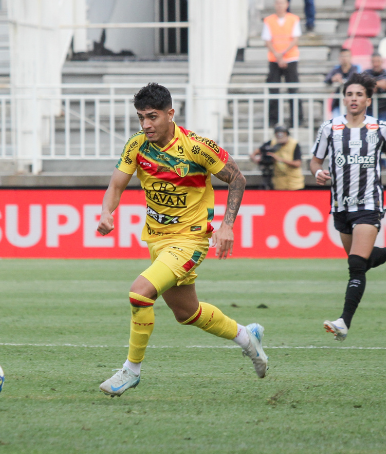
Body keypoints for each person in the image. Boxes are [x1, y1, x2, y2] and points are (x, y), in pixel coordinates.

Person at [96, 83, 268, 397]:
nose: (146, 124)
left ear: (170, 113)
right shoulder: (136, 146)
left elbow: (237, 178)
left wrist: (227, 226)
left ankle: (130, 370)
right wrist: (107, 211)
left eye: (152, 116)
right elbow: (116, 185)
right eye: (140, 118)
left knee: (139, 294)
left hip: (190, 240)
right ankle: (247, 337)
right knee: (187, 313)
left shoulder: (196, 147)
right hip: (157, 240)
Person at [310, 73, 386, 342]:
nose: (353, 99)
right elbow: (315, 161)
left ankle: (344, 322)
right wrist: (317, 173)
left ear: (368, 100)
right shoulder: (329, 128)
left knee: (356, 265)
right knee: (362, 261)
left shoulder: (378, 127)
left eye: (359, 94)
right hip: (340, 205)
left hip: (369, 203)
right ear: (344, 99)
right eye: (349, 94)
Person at [263, 0, 302, 127]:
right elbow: (267, 40)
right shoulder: (269, 20)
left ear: (287, 4)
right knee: (273, 90)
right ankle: (273, 120)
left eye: (282, 2)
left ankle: (296, 120)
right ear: (275, 5)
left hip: (290, 58)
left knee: (294, 89)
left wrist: (282, 54)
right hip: (274, 59)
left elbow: (295, 39)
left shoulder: (293, 19)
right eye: (277, 3)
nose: (280, 5)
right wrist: (277, 55)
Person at [249, 124, 304, 190]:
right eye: (277, 135)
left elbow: (297, 163)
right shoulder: (272, 143)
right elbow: (254, 153)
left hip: (294, 181)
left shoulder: (294, 144)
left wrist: (279, 159)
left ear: (287, 134)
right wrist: (257, 160)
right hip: (279, 182)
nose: (280, 137)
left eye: (282, 134)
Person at [326, 49, 361, 114]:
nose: (344, 58)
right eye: (342, 56)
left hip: (353, 103)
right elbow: (326, 80)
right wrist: (333, 79)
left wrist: (342, 81)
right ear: (339, 58)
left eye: (346, 56)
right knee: (337, 123)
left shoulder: (355, 68)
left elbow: (355, 79)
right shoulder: (336, 69)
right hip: (338, 103)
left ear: (350, 57)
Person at [362, 52, 386, 123]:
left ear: (382, 62)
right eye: (374, 62)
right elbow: (363, 85)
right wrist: (378, 84)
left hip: (384, 109)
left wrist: (371, 84)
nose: (376, 64)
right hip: (370, 109)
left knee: (383, 131)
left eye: (378, 61)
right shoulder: (366, 72)